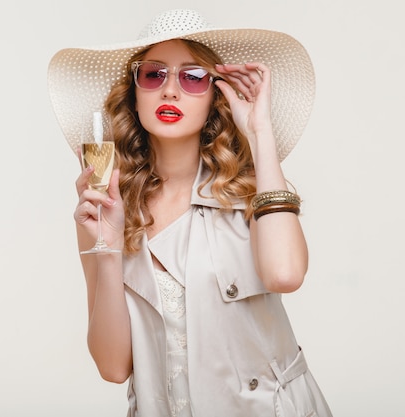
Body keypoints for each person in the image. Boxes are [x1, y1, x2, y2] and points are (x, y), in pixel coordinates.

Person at [48, 8, 332, 417]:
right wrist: (108, 243)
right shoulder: (107, 208)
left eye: (193, 77)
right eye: (153, 74)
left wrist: (259, 133)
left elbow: (285, 275)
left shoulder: (255, 189)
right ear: (135, 92)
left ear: (217, 94)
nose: (170, 91)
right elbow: (112, 367)